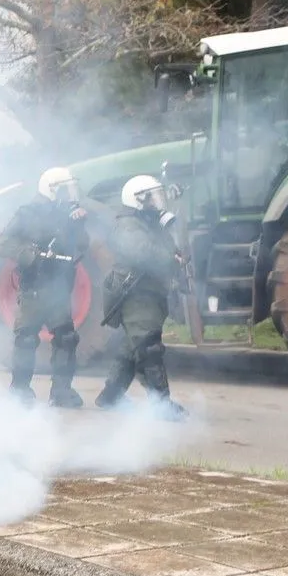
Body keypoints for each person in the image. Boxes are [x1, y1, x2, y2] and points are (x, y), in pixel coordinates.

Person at [0, 165, 90, 407]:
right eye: (65, 189)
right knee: (26, 339)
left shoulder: (67, 213)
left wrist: (79, 223)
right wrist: (25, 253)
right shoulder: (27, 213)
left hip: (59, 290)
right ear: (52, 190)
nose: (70, 193)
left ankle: (62, 391)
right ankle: (20, 389)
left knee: (66, 338)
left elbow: (82, 245)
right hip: (34, 288)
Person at [95, 174, 186, 419]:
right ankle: (161, 406)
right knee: (148, 348)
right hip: (136, 295)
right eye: (152, 197)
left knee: (131, 348)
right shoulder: (128, 225)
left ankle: (110, 396)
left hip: (149, 293)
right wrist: (170, 258)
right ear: (138, 201)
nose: (158, 202)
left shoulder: (149, 222)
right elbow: (143, 253)